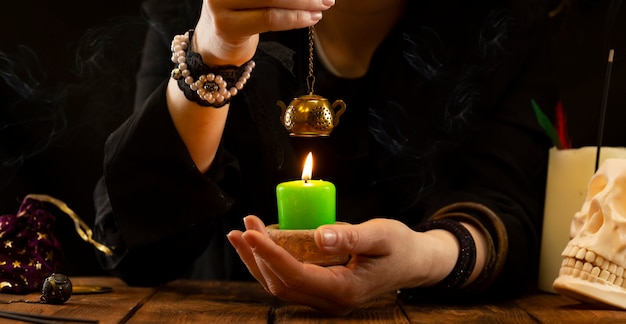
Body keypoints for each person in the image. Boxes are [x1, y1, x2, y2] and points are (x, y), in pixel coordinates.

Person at [93, 0, 557, 315]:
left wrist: (425, 256)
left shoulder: (509, 19)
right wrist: (213, 55)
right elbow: (134, 249)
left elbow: (512, 211)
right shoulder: (204, 5)